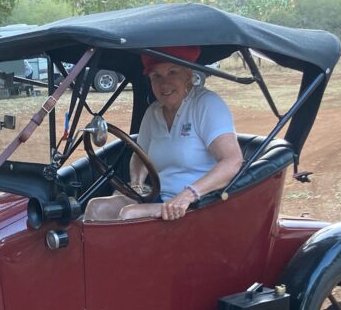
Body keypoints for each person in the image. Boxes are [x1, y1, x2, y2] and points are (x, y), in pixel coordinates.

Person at [84, 46, 243, 222]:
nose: (164, 83)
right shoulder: (153, 112)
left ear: (188, 74)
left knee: (129, 214)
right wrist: (137, 184)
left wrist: (189, 194)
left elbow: (232, 160)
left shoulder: (206, 104)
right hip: (160, 198)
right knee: (97, 207)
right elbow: (140, 155)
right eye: (156, 76)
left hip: (198, 204)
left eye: (173, 72)